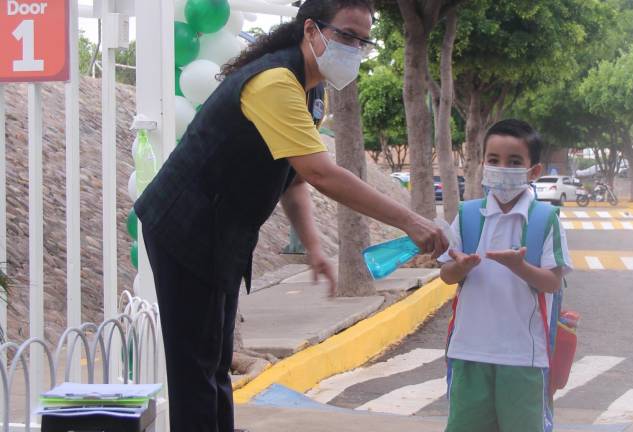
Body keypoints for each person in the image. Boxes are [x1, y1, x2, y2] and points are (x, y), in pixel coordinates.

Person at [134, 1, 448, 430]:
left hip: (221, 231)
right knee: (196, 365)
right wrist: (410, 221)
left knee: (214, 358)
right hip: (184, 226)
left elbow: (294, 178)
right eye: (346, 36)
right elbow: (320, 172)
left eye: (363, 40)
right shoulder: (274, 82)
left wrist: (314, 245)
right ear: (311, 30)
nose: (355, 48)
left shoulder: (310, 89)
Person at [438, 119, 572, 432]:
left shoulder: (544, 219)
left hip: (524, 357)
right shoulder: (468, 215)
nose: (502, 168)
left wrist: (519, 267)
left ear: (533, 171)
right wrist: (460, 267)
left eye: (514, 162)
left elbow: (553, 282)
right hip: (469, 351)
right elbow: (447, 275)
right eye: (493, 160)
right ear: (482, 163)